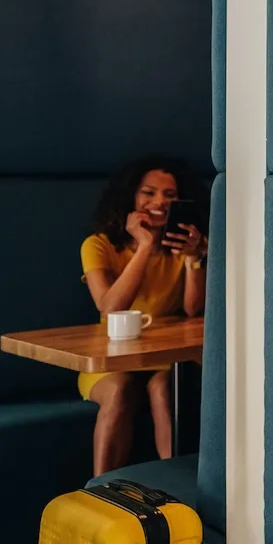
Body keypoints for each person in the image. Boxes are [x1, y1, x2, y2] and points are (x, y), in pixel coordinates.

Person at [80, 156, 207, 476]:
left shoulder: (183, 246)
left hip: (165, 359)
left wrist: (194, 259)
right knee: (120, 391)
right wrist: (145, 246)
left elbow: (194, 309)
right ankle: (102, 492)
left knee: (167, 390)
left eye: (169, 195)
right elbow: (110, 307)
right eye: (148, 193)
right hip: (112, 360)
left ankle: (177, 488)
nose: (159, 202)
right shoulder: (97, 245)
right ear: (131, 197)